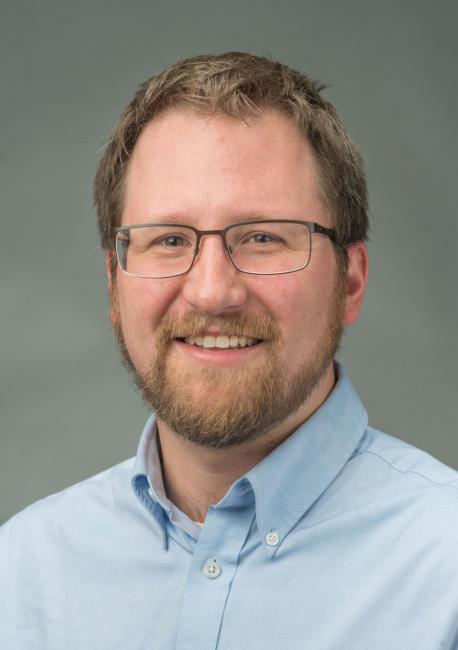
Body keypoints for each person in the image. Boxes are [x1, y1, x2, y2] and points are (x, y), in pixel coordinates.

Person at [1, 52, 457, 650]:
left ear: (350, 280)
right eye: (168, 239)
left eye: (263, 237)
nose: (213, 292)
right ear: (114, 285)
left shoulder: (445, 567)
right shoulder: (21, 573)